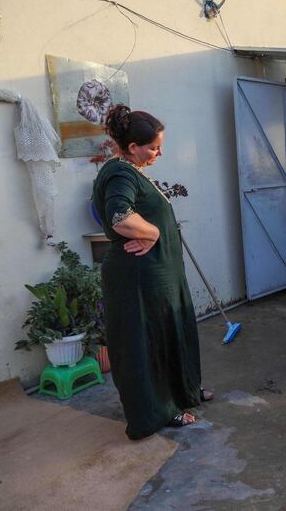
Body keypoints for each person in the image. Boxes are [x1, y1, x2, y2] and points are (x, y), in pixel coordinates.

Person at [92, 104, 211, 440]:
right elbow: (119, 216)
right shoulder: (119, 173)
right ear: (133, 147)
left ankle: (183, 394)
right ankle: (157, 412)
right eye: (154, 147)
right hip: (139, 279)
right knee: (147, 345)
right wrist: (154, 233)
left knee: (171, 333)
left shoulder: (131, 169)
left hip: (158, 275)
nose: (160, 152)